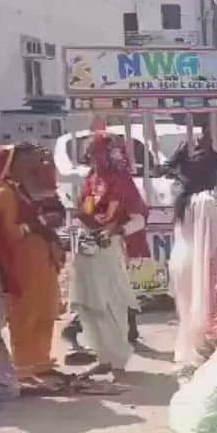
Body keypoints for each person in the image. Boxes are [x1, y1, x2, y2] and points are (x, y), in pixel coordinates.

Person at [68, 132, 149, 376]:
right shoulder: (91, 179)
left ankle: (117, 361)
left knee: (111, 303)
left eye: (94, 152)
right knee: (89, 303)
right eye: (90, 153)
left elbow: (139, 218)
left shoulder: (122, 181)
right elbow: (86, 210)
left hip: (108, 248)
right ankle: (103, 357)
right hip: (86, 248)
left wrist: (116, 230)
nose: (90, 157)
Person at [0, 144, 65, 393]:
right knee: (24, 316)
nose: (30, 165)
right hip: (22, 264)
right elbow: (9, 232)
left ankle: (40, 364)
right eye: (24, 161)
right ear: (9, 164)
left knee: (44, 313)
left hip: (41, 263)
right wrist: (32, 227)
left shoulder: (18, 189)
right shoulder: (4, 193)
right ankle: (24, 369)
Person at [170, 146, 217, 367]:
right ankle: (200, 352)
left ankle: (187, 351)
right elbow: (215, 239)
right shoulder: (206, 201)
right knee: (203, 306)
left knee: (187, 308)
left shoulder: (183, 198)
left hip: (180, 258)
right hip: (197, 260)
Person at [163, 119, 217, 192]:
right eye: (204, 135)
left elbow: (214, 179)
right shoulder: (189, 152)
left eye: (207, 136)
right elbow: (173, 167)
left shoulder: (214, 157)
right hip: (189, 190)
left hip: (201, 191)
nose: (200, 139)